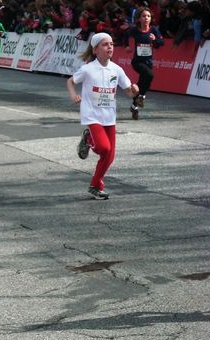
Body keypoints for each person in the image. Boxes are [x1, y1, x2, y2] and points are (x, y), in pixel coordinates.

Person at [66, 32, 139, 200]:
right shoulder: (88, 69)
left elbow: (128, 91)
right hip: (92, 115)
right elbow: (70, 81)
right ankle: (89, 139)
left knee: (110, 155)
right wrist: (73, 95)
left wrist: (134, 90)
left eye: (112, 44)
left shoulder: (117, 69)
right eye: (105, 44)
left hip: (109, 116)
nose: (110, 47)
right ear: (96, 49)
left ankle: (95, 185)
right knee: (104, 148)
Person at [124, 7, 164, 120]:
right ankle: (142, 96)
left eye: (148, 16)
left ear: (151, 19)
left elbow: (161, 42)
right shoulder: (135, 30)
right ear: (139, 19)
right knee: (149, 75)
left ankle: (134, 106)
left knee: (142, 83)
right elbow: (126, 35)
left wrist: (155, 39)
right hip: (137, 62)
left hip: (148, 62)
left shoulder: (154, 30)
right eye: (144, 16)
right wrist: (127, 45)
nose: (146, 18)